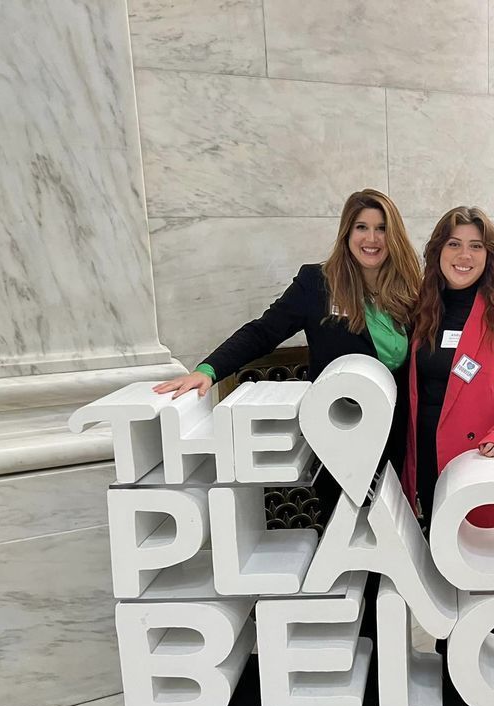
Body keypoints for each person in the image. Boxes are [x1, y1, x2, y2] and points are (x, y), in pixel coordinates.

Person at [154, 188, 421, 504]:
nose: (371, 238)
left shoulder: (412, 288)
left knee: (397, 529)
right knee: (345, 529)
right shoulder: (318, 283)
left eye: (381, 228)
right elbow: (263, 332)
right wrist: (209, 369)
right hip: (340, 433)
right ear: (347, 232)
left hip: (400, 432)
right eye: (361, 227)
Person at [402, 206, 494, 533]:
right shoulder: (423, 305)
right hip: (426, 446)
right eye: (454, 244)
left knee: (482, 548)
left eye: (476, 246)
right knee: (437, 537)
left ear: (488, 255)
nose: (464, 254)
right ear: (438, 250)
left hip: (481, 451)